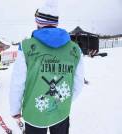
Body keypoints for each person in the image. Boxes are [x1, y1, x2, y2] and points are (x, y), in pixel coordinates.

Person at [9, 0, 84, 134]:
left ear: (38, 22)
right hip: (61, 112)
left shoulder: (26, 47)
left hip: (34, 114)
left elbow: (17, 83)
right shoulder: (75, 49)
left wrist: (15, 109)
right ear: (56, 23)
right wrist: (64, 101)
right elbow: (78, 83)